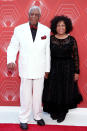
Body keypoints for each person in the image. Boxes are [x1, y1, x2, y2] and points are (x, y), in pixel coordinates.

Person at [7, 6, 50, 130]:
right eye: (32, 14)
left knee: (38, 94)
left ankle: (37, 116)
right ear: (28, 15)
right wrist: (11, 60)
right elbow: (13, 46)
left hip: (40, 68)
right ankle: (23, 118)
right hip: (25, 67)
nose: (34, 16)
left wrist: (47, 69)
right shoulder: (18, 29)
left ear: (40, 17)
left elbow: (47, 51)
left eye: (37, 15)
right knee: (25, 95)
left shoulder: (46, 30)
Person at [42, 15, 83, 123]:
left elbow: (76, 56)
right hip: (53, 68)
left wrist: (76, 71)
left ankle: (62, 112)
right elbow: (45, 56)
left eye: (63, 25)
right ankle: (53, 110)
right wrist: (45, 70)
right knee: (53, 89)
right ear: (55, 27)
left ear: (67, 27)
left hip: (67, 68)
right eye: (58, 25)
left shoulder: (71, 40)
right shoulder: (50, 39)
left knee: (64, 90)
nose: (60, 27)